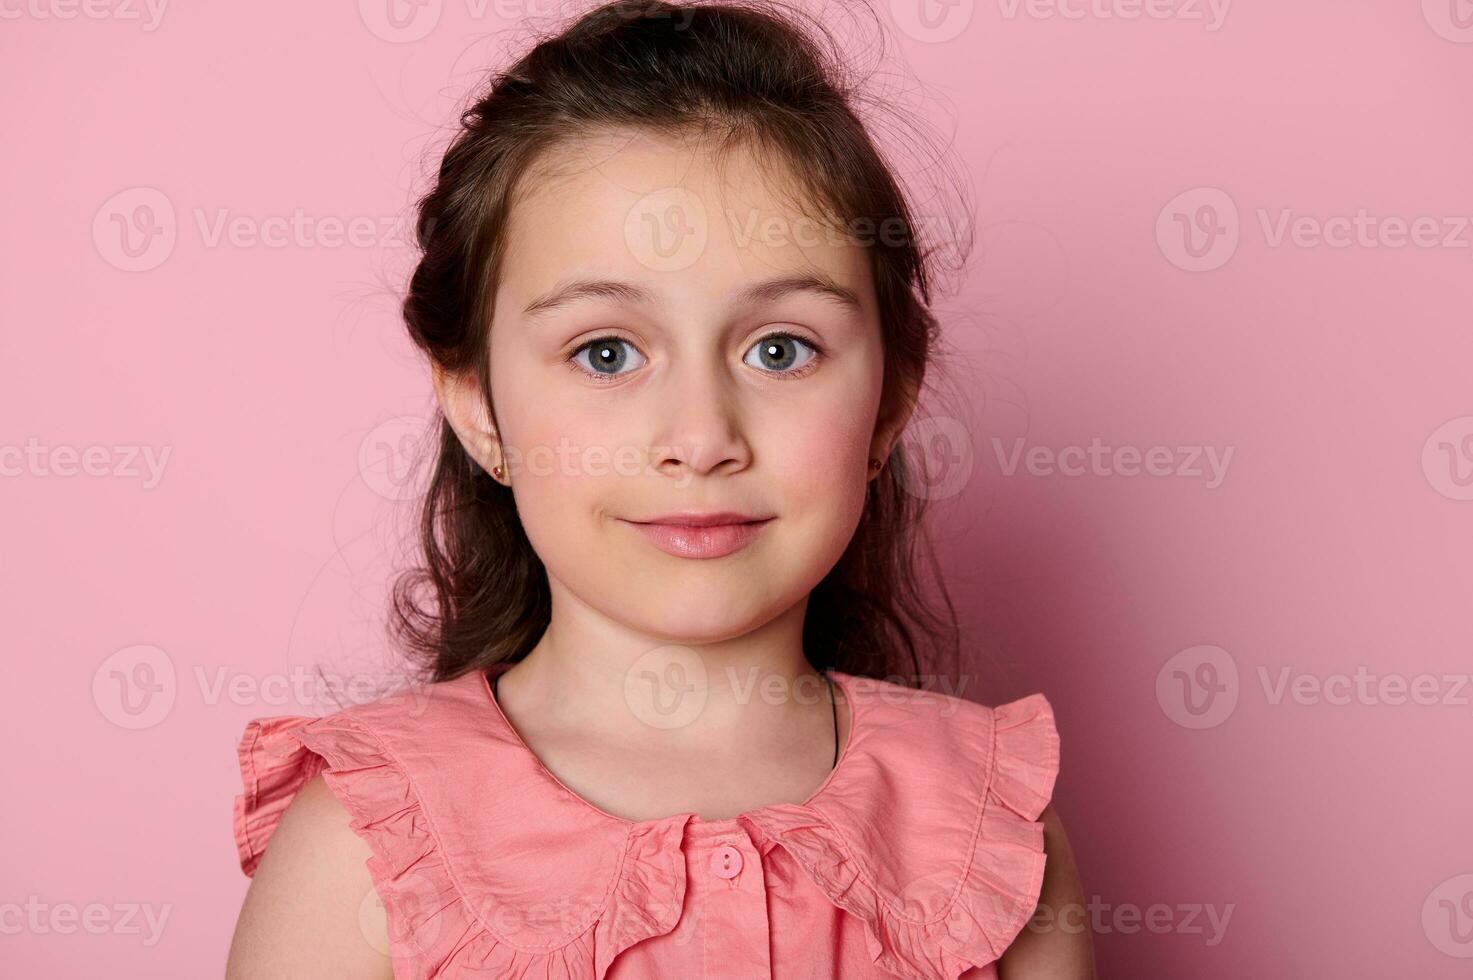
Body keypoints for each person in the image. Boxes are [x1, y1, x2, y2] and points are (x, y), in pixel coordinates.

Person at [225, 1, 1094, 976]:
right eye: (606, 351)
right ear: (478, 405)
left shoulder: (993, 832)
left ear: (888, 403)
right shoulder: (364, 843)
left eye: (781, 348)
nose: (701, 436)